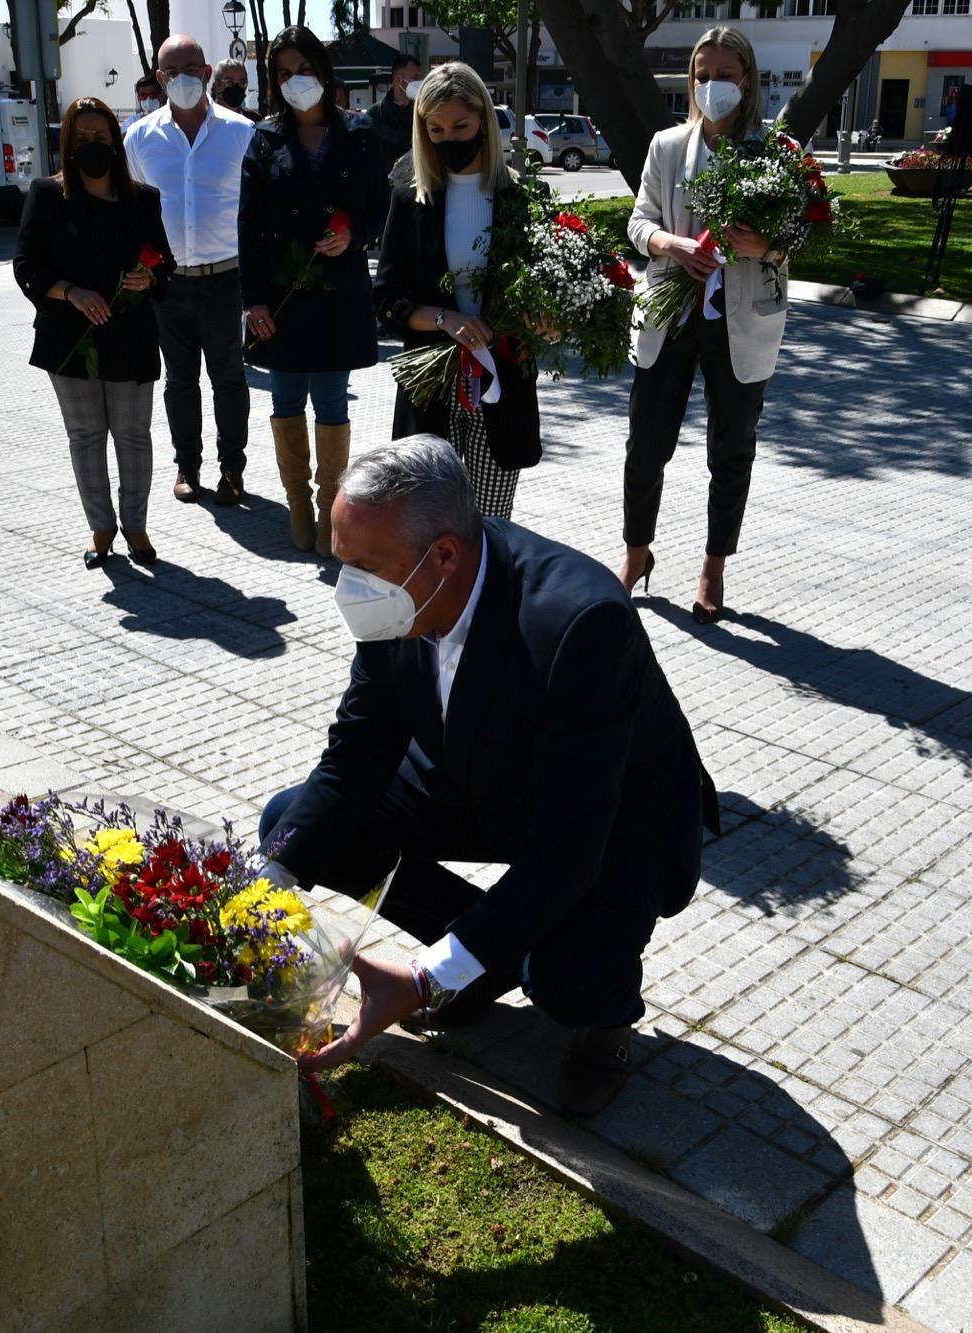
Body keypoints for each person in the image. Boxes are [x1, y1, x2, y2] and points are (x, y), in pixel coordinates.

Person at [259, 438, 720, 1117]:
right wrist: (256, 888)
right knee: (293, 824)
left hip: (615, 819)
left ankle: (602, 1018)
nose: (346, 587)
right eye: (341, 562)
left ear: (444, 554)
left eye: (363, 567)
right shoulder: (399, 592)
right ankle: (482, 959)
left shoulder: (580, 623)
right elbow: (355, 756)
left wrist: (418, 978)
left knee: (564, 979)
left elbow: (568, 848)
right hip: (483, 771)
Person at [621, 27, 788, 624]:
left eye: (724, 74)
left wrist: (765, 245)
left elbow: (800, 238)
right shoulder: (667, 147)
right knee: (645, 445)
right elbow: (638, 222)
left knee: (731, 450)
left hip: (741, 323)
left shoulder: (775, 153)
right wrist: (670, 242)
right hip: (670, 313)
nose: (712, 85)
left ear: (747, 79)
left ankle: (714, 566)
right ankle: (636, 553)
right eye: (703, 74)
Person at [374, 62, 541, 520]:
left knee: (490, 520)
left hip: (501, 381)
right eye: (436, 129)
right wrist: (447, 320)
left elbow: (539, 292)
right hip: (431, 385)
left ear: (483, 121)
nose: (449, 137)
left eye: (460, 125)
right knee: (430, 521)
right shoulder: (410, 200)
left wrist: (547, 322)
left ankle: (489, 592)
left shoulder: (521, 199)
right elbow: (387, 298)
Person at [240, 27, 384, 556]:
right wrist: (252, 298)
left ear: (323, 70)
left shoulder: (360, 132)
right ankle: (297, 503)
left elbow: (381, 204)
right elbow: (248, 223)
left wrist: (355, 235)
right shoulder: (265, 137)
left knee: (330, 401)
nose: (295, 80)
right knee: (284, 398)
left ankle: (330, 509)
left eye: (303, 68)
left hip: (338, 290)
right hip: (280, 294)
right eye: (283, 73)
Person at [16, 98, 175, 570]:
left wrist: (149, 279)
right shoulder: (47, 195)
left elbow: (164, 264)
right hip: (69, 341)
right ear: (67, 144)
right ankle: (101, 527)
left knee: (133, 435)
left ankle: (136, 526)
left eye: (101, 138)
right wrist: (70, 292)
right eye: (82, 139)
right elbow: (26, 266)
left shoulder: (143, 200)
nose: (92, 146)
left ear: (116, 143)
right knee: (85, 435)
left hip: (131, 339)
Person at [123, 34, 258, 506]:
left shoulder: (241, 133)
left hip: (225, 279)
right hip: (169, 283)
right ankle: (187, 464)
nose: (183, 78)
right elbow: (130, 212)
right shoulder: (140, 138)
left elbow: (257, 210)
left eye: (191, 68)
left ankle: (233, 470)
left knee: (229, 379)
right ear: (160, 79)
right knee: (179, 380)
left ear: (207, 73)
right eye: (172, 71)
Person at [368, 52, 424, 233]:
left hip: (419, 204)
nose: (420, 82)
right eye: (416, 77)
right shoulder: (373, 117)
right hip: (386, 209)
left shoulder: (424, 116)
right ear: (399, 80)